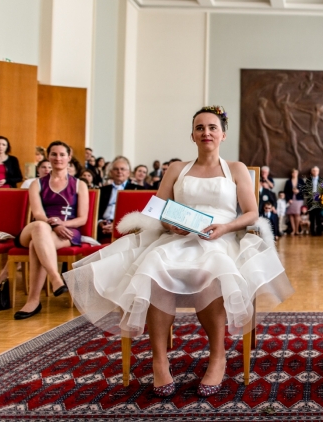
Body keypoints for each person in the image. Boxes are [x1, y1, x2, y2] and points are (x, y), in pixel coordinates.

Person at [64, 106, 293, 397]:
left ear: (223, 134)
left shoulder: (235, 169)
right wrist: (171, 225)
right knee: (156, 265)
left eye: (212, 127)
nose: (206, 132)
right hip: (178, 237)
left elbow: (251, 213)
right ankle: (159, 360)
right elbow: (157, 210)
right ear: (192, 135)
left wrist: (225, 228)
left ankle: (217, 355)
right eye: (200, 128)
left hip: (220, 238)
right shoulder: (176, 169)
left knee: (212, 268)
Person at [12, 141, 89, 320]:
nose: (58, 158)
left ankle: (33, 301)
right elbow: (38, 213)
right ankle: (56, 278)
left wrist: (63, 224)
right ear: (48, 156)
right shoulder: (36, 184)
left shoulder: (79, 185)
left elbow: (82, 219)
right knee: (40, 228)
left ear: (69, 157)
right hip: (38, 226)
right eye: (54, 154)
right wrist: (53, 224)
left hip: (67, 230)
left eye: (62, 154)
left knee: (35, 246)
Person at [97, 156, 144, 242]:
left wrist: (116, 225)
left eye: (122, 169)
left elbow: (138, 214)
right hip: (103, 228)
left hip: (127, 229)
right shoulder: (102, 190)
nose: (119, 171)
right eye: (116, 169)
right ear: (111, 172)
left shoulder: (137, 190)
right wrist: (99, 222)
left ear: (128, 173)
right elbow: (96, 211)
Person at [283, 168, 304, 236]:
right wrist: (288, 199)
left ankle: (297, 230)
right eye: (293, 173)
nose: (294, 174)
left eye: (296, 172)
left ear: (297, 173)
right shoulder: (288, 182)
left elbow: (304, 189)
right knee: (291, 215)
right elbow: (285, 192)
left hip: (299, 199)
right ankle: (293, 230)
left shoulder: (301, 181)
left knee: (297, 214)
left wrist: (299, 191)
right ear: (291, 174)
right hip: (291, 200)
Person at [307, 166, 323, 235]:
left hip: (319, 201)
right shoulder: (308, 180)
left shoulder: (322, 179)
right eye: (314, 170)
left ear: (318, 172)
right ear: (311, 172)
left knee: (318, 216)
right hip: (311, 200)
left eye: (316, 171)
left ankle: (319, 231)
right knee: (311, 216)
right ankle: (312, 232)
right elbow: (306, 189)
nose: (315, 172)